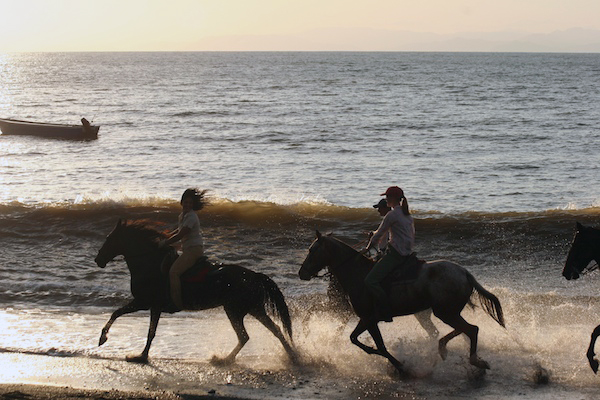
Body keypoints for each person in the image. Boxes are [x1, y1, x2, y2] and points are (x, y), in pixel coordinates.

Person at [361, 186, 415, 322]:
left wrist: (367, 248)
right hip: (408, 254)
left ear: (392, 199)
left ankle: (385, 309)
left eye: (387, 197)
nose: (386, 199)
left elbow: (379, 234)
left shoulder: (392, 215)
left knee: (370, 280)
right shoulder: (407, 215)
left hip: (396, 255)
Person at [159, 188, 207, 312]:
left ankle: (176, 304)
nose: (187, 205)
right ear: (182, 202)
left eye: (190, 203)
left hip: (193, 250)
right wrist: (166, 236)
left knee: (173, 272)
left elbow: (181, 234)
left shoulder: (191, 216)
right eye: (186, 202)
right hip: (187, 249)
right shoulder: (183, 215)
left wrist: (166, 242)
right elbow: (179, 230)